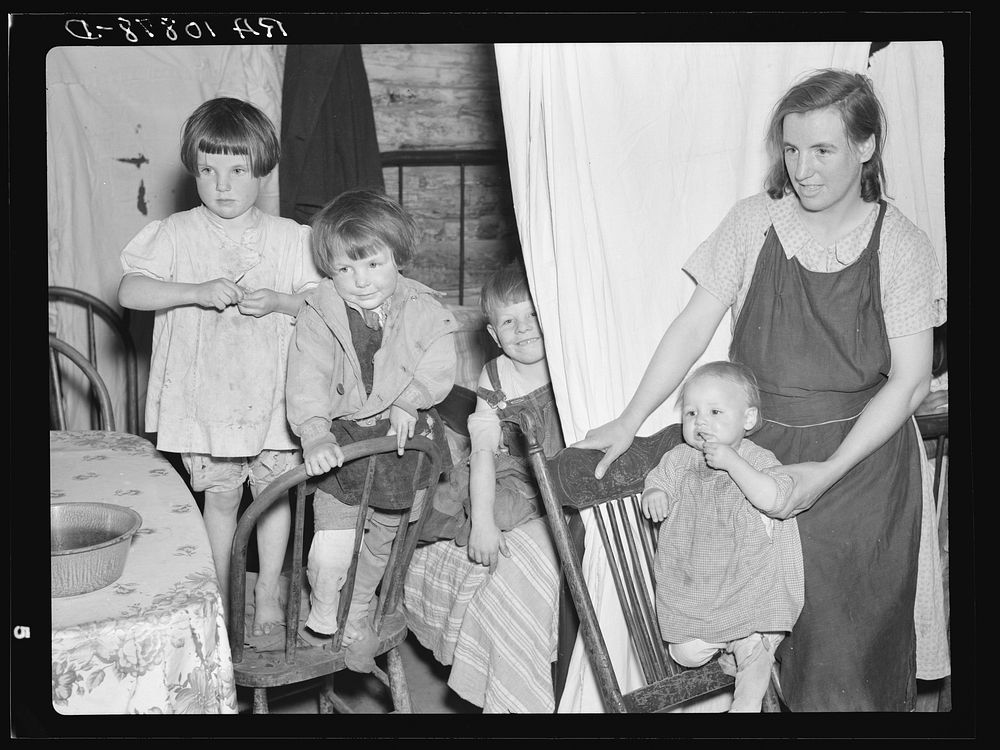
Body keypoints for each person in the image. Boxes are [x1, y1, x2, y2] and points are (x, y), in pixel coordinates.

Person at [576, 69, 946, 711]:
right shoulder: (754, 223)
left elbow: (912, 382)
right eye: (792, 148)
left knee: (846, 673)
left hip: (861, 471)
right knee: (759, 656)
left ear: (866, 148)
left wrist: (824, 473)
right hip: (755, 462)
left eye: (823, 150)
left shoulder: (903, 244)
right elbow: (694, 325)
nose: (802, 169)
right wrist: (629, 417)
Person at [118, 97, 320, 636]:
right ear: (194, 170)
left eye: (237, 170)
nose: (222, 184)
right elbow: (130, 290)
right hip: (207, 397)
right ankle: (222, 596)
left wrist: (279, 301)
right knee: (222, 496)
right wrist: (194, 290)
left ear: (264, 168)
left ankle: (271, 590)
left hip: (275, 394)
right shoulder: (176, 234)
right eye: (208, 170)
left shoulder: (290, 238)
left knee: (273, 496)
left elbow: (321, 304)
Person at [284, 188, 458, 670]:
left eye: (373, 264)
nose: (360, 281)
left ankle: (357, 612)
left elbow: (441, 361)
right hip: (345, 441)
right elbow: (307, 378)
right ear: (329, 271)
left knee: (383, 538)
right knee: (330, 551)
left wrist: (411, 398)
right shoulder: (319, 312)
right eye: (345, 269)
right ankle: (324, 608)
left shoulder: (423, 307)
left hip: (403, 441)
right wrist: (315, 432)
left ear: (397, 257)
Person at [640, 361, 803, 713]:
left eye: (715, 411)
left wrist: (732, 462)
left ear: (747, 419)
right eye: (691, 412)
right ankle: (734, 646)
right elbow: (659, 479)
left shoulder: (756, 457)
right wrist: (655, 493)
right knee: (682, 651)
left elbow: (771, 495)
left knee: (752, 646)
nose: (701, 421)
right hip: (696, 586)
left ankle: (745, 701)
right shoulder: (679, 458)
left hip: (744, 582)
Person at [456, 263, 567, 572]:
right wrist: (482, 523)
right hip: (523, 473)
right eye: (508, 321)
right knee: (455, 497)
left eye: (533, 314)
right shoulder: (495, 376)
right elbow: (482, 452)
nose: (523, 328)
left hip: (569, 466)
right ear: (493, 333)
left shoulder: (569, 359)